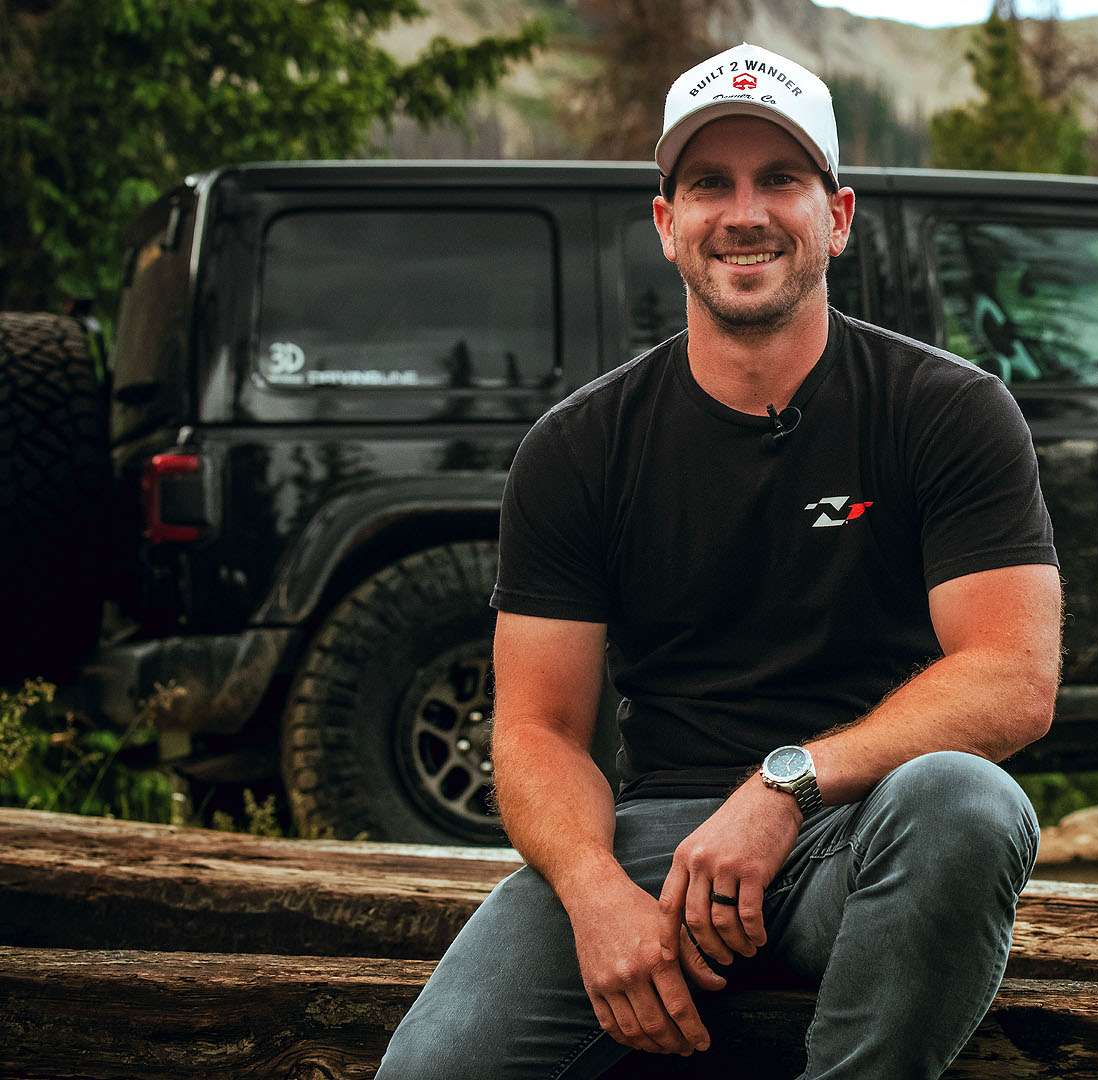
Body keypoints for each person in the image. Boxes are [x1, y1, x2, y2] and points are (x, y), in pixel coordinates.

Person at [375, 42, 1063, 1080]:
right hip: (655, 849)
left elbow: (1013, 679)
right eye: (709, 184)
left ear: (836, 214)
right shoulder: (578, 447)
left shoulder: (948, 411)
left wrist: (784, 787)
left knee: (969, 803)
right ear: (667, 225)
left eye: (780, 178)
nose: (744, 213)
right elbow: (536, 730)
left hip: (864, 838)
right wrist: (595, 893)